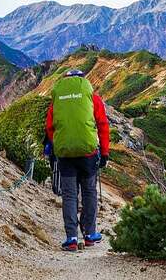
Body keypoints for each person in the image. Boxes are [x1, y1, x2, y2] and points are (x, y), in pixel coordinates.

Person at [45, 69, 110, 252]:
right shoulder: (92, 97)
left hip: (65, 154)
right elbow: (103, 124)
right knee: (89, 191)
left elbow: (50, 127)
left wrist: (56, 146)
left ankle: (71, 238)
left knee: (69, 194)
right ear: (83, 81)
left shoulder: (57, 99)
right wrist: (104, 152)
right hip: (88, 153)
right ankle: (89, 235)